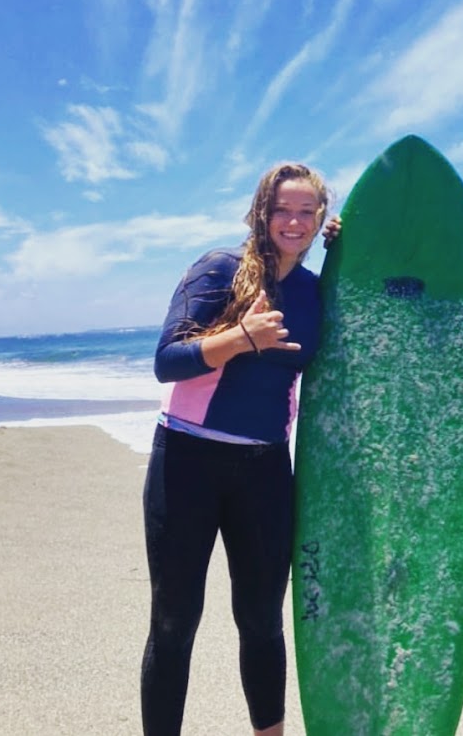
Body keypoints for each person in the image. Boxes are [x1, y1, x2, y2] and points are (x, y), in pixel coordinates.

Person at [141, 162, 329, 736]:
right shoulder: (221, 268)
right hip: (187, 461)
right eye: (282, 209)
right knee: (175, 621)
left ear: (322, 219)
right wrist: (242, 338)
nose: (293, 222)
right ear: (261, 212)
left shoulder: (315, 292)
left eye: (306, 211)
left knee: (262, 620)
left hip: (265, 468)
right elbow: (166, 361)